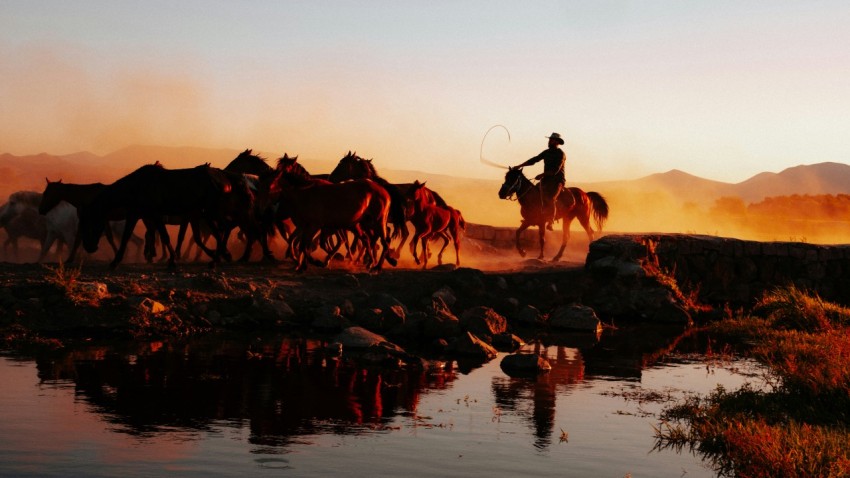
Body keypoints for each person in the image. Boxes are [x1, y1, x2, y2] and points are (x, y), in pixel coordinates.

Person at [514, 132, 566, 230]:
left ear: (557, 142)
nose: (549, 141)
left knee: (551, 199)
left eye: (552, 140)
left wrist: (542, 175)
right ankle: (531, 217)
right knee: (534, 194)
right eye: (550, 139)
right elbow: (534, 160)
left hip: (557, 181)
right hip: (546, 180)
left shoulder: (561, 154)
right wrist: (520, 166)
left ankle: (550, 221)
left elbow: (555, 170)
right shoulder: (546, 152)